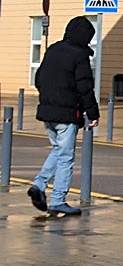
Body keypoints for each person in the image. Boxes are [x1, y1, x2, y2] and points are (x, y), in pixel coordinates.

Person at [28, 15, 100, 218]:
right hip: (67, 114)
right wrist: (93, 113)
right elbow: (85, 87)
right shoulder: (80, 56)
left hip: (47, 111)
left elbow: (39, 79)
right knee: (66, 157)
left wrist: (49, 98)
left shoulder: (53, 49)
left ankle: (39, 185)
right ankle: (58, 200)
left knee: (58, 150)